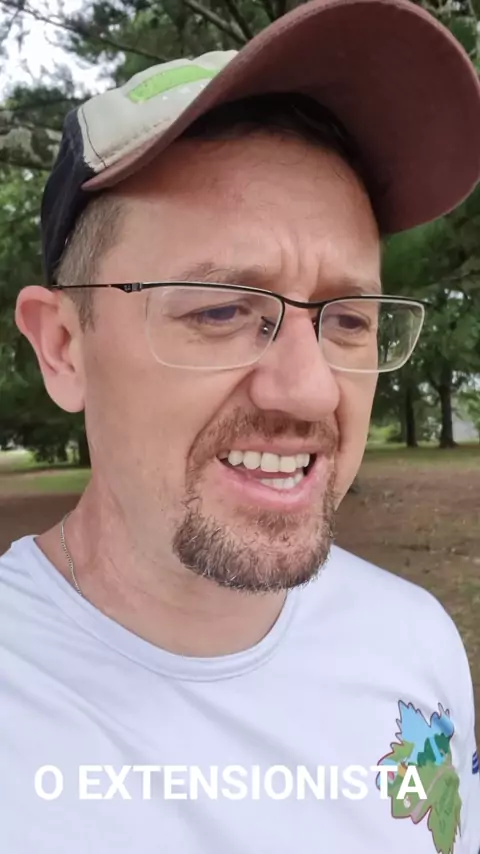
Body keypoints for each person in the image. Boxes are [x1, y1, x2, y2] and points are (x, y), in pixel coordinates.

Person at [1, 0, 480, 850]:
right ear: (65, 347)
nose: (310, 391)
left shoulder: (416, 646)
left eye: (348, 319)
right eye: (221, 310)